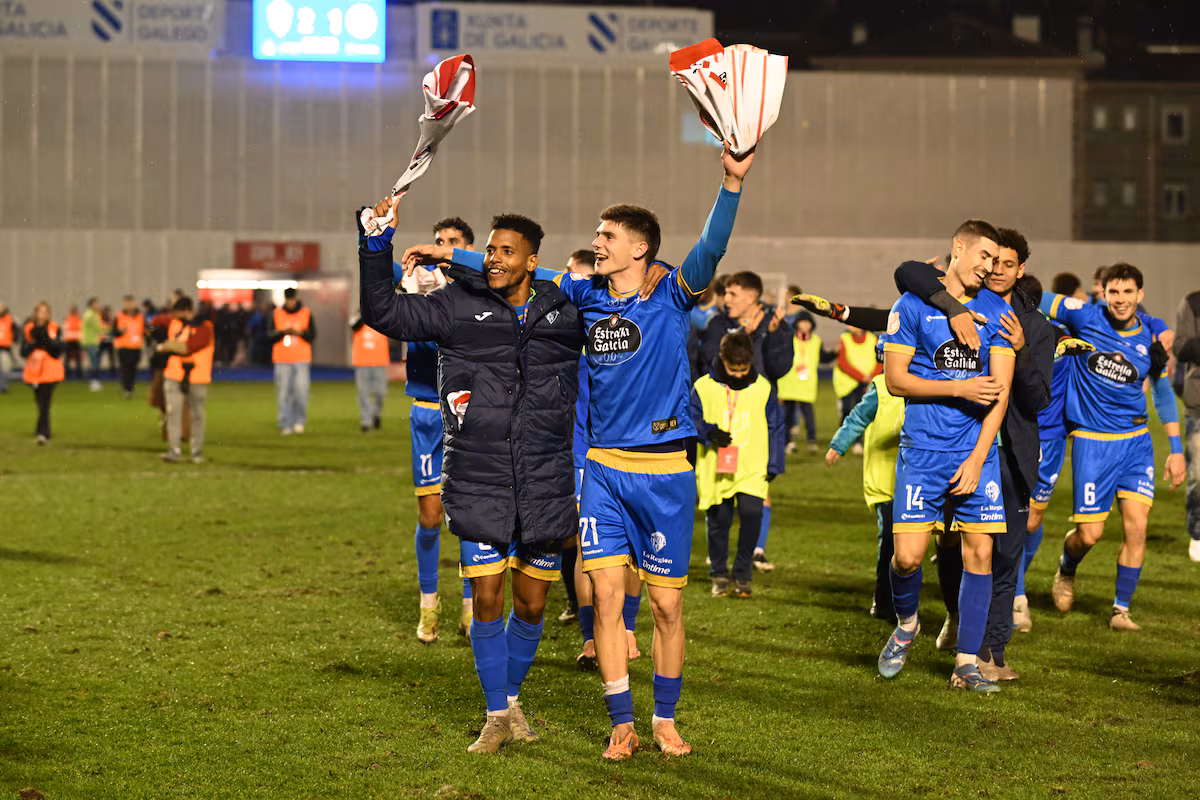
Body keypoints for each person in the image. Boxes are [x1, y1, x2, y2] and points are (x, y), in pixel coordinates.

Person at [552, 146, 752, 760]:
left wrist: (731, 184)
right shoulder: (584, 294)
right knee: (607, 597)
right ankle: (622, 721)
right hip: (605, 469)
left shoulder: (671, 293)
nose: (597, 243)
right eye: (597, 235)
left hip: (665, 471)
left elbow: (711, 249)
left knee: (666, 605)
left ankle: (664, 719)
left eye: (607, 236)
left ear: (640, 247)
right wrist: (452, 259)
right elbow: (523, 273)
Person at [377, 211, 584, 755]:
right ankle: (496, 713)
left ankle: (510, 701)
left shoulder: (564, 308)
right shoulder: (458, 304)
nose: (493, 259)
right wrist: (375, 245)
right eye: (489, 250)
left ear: (532, 261)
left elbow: (621, 295)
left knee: (532, 605)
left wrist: (451, 255)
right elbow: (382, 311)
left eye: (506, 251)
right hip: (480, 477)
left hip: (542, 480)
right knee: (487, 598)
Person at [877, 219, 1015, 693]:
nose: (989, 267)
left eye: (995, 260)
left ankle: (966, 664)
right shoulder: (911, 305)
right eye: (983, 256)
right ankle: (908, 623)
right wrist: (958, 388)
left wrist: (978, 458)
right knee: (907, 558)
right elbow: (896, 380)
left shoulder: (998, 312)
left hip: (976, 452)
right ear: (959, 247)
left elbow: (999, 395)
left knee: (980, 553)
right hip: (923, 450)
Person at [1041, 263, 1185, 631]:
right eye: (1114, 292)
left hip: (1136, 444)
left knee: (1137, 528)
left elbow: (1163, 393)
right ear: (1102, 293)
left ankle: (1121, 610)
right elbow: (1033, 297)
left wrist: (1175, 448)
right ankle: (1067, 567)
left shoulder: (1150, 341)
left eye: (1128, 292)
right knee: (1090, 535)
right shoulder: (1085, 317)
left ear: (1140, 295)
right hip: (1093, 443)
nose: (1121, 300)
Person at [407, 217, 476, 643]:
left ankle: (471, 609)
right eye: (438, 241)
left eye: (452, 242)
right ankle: (428, 605)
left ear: (466, 249)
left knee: (468, 515)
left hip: (468, 410)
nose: (442, 247)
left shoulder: (480, 293)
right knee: (430, 515)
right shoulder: (417, 289)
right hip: (428, 412)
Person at [691, 331, 784, 598]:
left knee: (752, 515)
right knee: (719, 521)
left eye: (744, 369)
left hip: (752, 467)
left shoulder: (763, 387)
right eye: (734, 369)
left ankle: (743, 574)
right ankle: (719, 574)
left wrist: (774, 463)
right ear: (722, 359)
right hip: (716, 468)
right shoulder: (703, 387)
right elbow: (690, 417)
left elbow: (776, 426)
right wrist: (709, 432)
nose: (740, 374)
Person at [827, 363, 905, 622]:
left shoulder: (928, 382)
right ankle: (884, 602)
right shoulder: (881, 388)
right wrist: (839, 444)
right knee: (891, 544)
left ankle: (906, 602)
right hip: (886, 482)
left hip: (919, 481)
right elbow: (858, 417)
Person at [156, 296, 214, 464]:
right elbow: (156, 326)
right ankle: (174, 451)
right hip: (174, 375)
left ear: (188, 311)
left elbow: (189, 347)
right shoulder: (175, 324)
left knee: (197, 415)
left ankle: (196, 452)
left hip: (197, 377)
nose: (175, 316)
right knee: (173, 414)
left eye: (177, 313)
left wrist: (166, 346)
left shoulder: (205, 326)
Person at [776, 311, 832, 454]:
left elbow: (822, 358)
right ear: (797, 324)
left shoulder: (816, 341)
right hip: (789, 383)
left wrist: (834, 353)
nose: (805, 325)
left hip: (806, 384)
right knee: (788, 415)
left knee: (808, 414)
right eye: (802, 322)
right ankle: (788, 441)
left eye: (808, 323)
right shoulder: (789, 338)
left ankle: (811, 440)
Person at [1174, 289, 1200, 561]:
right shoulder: (1193, 302)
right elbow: (1180, 347)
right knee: (1199, 475)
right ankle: (1198, 533)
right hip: (1198, 403)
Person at [269, 287, 315, 435]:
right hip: (282, 359)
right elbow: (269, 335)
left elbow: (312, 335)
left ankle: (299, 421)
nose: (290, 303)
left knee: (301, 392)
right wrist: (283, 333)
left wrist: (300, 333)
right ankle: (285, 423)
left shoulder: (306, 312)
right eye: (288, 300)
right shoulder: (276, 313)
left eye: (292, 300)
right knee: (284, 393)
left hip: (301, 359)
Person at [833, 325, 881, 454]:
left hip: (866, 383)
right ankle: (841, 441)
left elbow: (879, 360)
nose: (849, 326)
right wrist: (862, 377)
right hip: (847, 383)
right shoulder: (844, 338)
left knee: (862, 413)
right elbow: (843, 362)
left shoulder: (873, 339)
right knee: (846, 411)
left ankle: (858, 442)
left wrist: (871, 377)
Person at [21, 302, 64, 444]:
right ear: (36, 313)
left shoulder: (54, 328)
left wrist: (47, 341)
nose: (43, 314)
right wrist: (35, 343)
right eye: (40, 311)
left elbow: (58, 350)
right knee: (40, 401)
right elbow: (23, 351)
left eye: (46, 312)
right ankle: (42, 429)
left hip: (51, 370)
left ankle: (43, 433)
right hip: (35, 370)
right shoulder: (28, 328)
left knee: (45, 401)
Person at [349, 310, 390, 433]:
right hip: (362, 362)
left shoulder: (382, 317)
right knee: (363, 393)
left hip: (379, 361)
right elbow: (353, 326)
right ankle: (366, 421)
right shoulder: (358, 317)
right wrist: (365, 314)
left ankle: (375, 414)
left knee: (380, 393)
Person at [113, 295, 145, 399]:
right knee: (125, 369)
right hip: (123, 347)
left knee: (133, 369)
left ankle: (130, 387)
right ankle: (126, 388)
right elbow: (114, 332)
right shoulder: (119, 316)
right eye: (126, 303)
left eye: (130, 303)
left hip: (136, 347)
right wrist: (120, 331)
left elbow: (145, 330)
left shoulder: (140, 316)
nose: (128, 305)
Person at [82, 297, 105, 391]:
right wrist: (110, 328)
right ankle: (94, 382)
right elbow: (98, 328)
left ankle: (95, 381)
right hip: (90, 342)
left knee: (95, 362)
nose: (97, 305)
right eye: (96, 303)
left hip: (94, 342)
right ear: (91, 304)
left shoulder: (94, 314)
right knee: (94, 362)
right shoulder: (90, 314)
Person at [62, 305, 83, 380]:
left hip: (76, 341)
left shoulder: (78, 319)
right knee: (67, 360)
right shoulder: (68, 319)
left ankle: (79, 375)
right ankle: (65, 375)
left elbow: (81, 330)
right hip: (69, 341)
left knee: (78, 359)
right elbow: (65, 330)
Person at [0, 302, 15, 394]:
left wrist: (14, 339)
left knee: (5, 369)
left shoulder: (9, 319)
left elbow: (16, 330)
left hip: (5, 348)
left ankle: (3, 387)